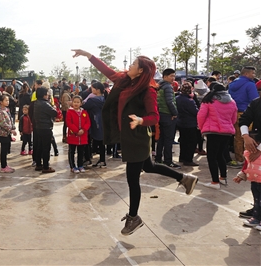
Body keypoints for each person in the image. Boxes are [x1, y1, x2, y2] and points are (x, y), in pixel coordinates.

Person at [72, 49, 198, 236]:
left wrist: (140, 120)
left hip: (137, 137)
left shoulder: (147, 91)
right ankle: (184, 179)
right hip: (129, 135)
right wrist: (89, 56)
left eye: (133, 64)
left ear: (140, 71)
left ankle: (134, 217)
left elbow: (154, 116)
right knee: (149, 166)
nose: (129, 66)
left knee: (133, 178)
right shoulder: (125, 81)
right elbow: (107, 71)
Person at [237, 79, 261, 218]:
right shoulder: (256, 103)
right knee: (255, 181)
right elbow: (244, 120)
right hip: (256, 145)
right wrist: (246, 136)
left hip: (258, 148)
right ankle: (257, 209)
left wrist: (259, 150)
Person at [228, 66, 258, 166]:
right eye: (253, 73)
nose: (254, 75)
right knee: (249, 137)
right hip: (247, 114)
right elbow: (255, 101)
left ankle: (239, 159)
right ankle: (248, 159)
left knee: (238, 137)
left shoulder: (232, 84)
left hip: (235, 113)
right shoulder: (250, 85)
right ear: (246, 74)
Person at [156, 68, 181, 168]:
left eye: (174, 76)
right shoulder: (168, 87)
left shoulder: (159, 86)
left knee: (161, 139)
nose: (173, 78)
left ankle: (158, 159)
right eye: (171, 76)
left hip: (161, 115)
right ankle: (168, 160)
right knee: (168, 139)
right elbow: (170, 102)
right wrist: (174, 113)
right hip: (168, 116)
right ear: (165, 76)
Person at [233, 148, 261, 229]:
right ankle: (256, 218)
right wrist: (242, 174)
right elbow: (247, 164)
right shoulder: (250, 151)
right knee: (257, 200)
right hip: (255, 180)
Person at [33, 86, 57, 173]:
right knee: (46, 148)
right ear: (44, 95)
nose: (48, 95)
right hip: (46, 127)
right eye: (47, 94)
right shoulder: (45, 104)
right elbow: (54, 113)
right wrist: (53, 106)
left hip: (39, 127)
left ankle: (38, 164)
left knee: (39, 146)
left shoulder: (36, 103)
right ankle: (46, 166)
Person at [82, 82, 106, 168]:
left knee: (89, 140)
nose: (91, 90)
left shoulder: (92, 100)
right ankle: (102, 160)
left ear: (97, 90)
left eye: (92, 88)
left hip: (94, 122)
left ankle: (88, 159)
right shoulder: (103, 98)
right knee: (101, 141)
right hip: (101, 122)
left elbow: (84, 106)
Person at [175, 82, 199, 166]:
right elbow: (195, 112)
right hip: (190, 123)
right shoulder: (190, 101)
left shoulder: (177, 98)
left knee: (183, 141)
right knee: (191, 142)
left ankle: (182, 157)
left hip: (181, 122)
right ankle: (188, 159)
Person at [65, 95, 91, 173]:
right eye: (74, 102)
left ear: (81, 103)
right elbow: (69, 123)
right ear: (72, 103)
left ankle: (80, 165)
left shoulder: (84, 112)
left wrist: (83, 130)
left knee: (81, 151)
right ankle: (72, 166)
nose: (76, 104)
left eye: (78, 102)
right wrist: (76, 130)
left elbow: (88, 122)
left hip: (82, 136)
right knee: (72, 151)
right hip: (73, 135)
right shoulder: (69, 112)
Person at [0, 94, 17, 173]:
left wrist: (13, 127)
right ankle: (3, 167)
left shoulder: (6, 109)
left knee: (6, 149)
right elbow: (2, 123)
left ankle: (5, 165)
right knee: (3, 150)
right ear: (1, 102)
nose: (7, 102)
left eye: (8, 100)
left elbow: (10, 119)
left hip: (7, 132)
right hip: (2, 133)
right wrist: (11, 129)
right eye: (6, 100)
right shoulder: (0, 111)